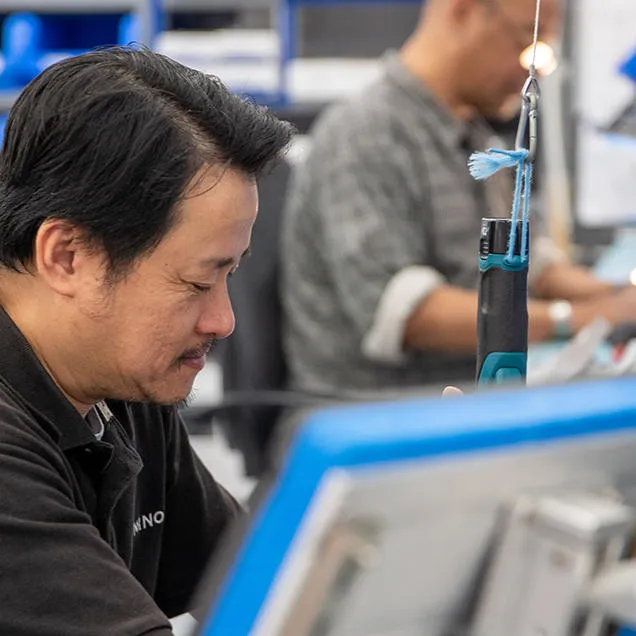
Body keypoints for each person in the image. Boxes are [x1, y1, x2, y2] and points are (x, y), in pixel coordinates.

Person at [0, 46, 293, 634]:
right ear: (67, 256)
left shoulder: (121, 382)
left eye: (230, 277)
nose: (223, 321)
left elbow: (266, 583)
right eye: (196, 283)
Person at [281, 0, 636, 396]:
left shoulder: (474, 135)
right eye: (527, 45)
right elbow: (405, 315)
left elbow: (524, 261)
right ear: (463, 11)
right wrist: (583, 317)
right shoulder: (363, 135)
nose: (533, 71)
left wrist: (614, 294)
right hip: (375, 412)